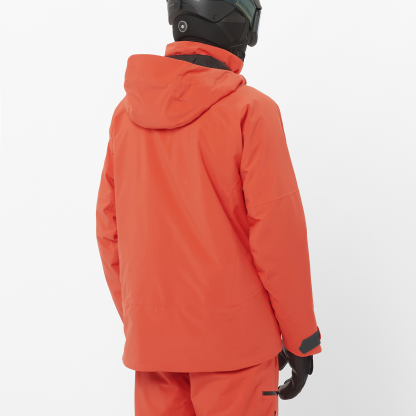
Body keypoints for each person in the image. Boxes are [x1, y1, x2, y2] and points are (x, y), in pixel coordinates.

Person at [96, 1, 321, 414]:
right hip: (236, 349)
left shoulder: (126, 117)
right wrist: (300, 337)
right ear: (240, 25)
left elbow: (111, 232)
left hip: (155, 349)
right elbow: (277, 237)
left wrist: (146, 321)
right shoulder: (251, 112)